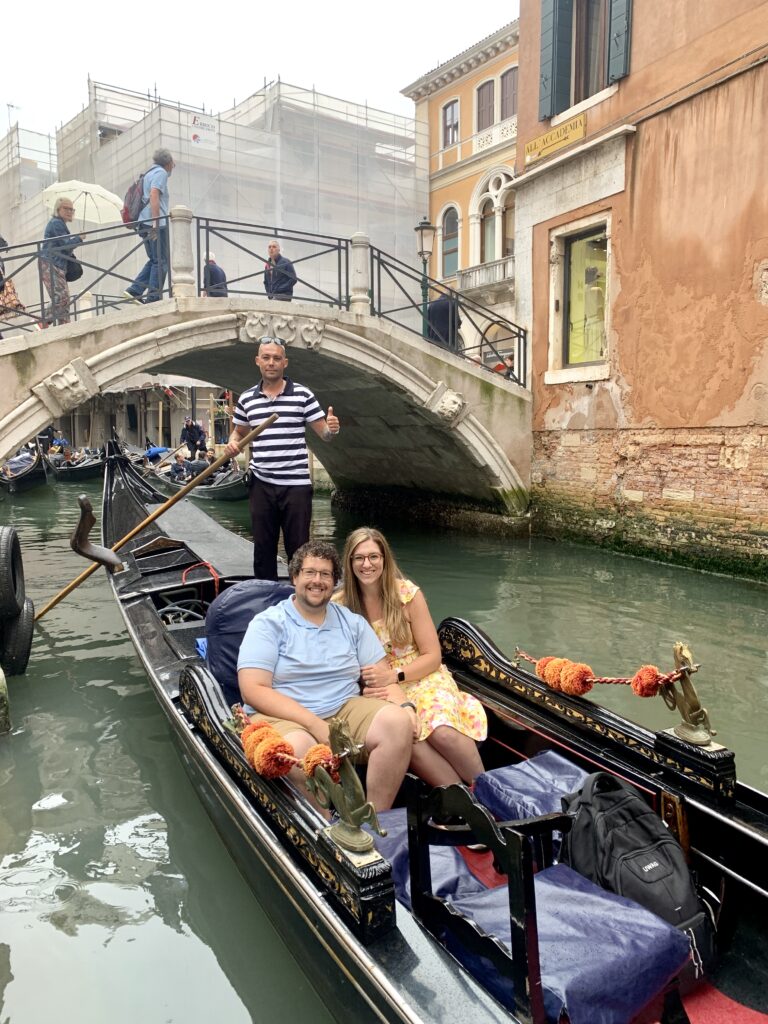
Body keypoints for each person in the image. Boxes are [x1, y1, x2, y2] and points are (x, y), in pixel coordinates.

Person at [237, 541, 417, 811]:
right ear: (295, 577)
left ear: (334, 582)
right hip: (282, 714)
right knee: (302, 751)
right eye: (310, 573)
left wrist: (404, 706)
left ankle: (374, 818)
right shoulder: (268, 623)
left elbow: (382, 677)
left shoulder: (351, 622)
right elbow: (253, 689)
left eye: (325, 574)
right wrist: (312, 723)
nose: (317, 581)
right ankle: (324, 828)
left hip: (342, 707)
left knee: (397, 723)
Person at [335, 527, 487, 786]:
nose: (367, 564)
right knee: (409, 739)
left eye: (374, 556)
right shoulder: (340, 607)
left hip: (422, 675)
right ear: (349, 563)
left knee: (441, 732)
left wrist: (394, 674)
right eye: (359, 558)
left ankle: (490, 790)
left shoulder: (406, 594)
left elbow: (432, 656)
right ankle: (470, 803)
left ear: (384, 559)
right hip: (380, 690)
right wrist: (370, 686)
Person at [226, 336, 340, 581]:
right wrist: (233, 442)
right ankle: (265, 599)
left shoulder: (303, 395)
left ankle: (300, 600)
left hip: (296, 485)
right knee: (263, 548)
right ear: (258, 361)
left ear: (285, 363)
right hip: (261, 483)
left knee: (298, 550)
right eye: (266, 357)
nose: (271, 362)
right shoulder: (246, 398)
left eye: (277, 358)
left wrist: (333, 428)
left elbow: (326, 435)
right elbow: (239, 431)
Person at [124, 148, 175, 304]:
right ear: (168, 163)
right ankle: (153, 297)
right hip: (155, 224)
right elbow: (154, 194)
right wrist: (156, 222)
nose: (173, 167)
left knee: (154, 259)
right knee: (162, 260)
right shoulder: (161, 173)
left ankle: (134, 290)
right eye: (173, 164)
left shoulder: (148, 174)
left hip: (143, 222)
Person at [41, 198, 85, 325]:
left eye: (71, 209)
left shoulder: (59, 224)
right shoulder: (56, 223)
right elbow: (66, 245)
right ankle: (42, 321)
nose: (70, 211)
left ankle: (64, 326)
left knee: (64, 298)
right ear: (58, 209)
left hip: (56, 264)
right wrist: (79, 238)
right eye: (66, 208)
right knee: (62, 297)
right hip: (51, 263)